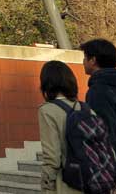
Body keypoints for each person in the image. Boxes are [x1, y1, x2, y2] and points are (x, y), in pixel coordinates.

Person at [38, 61, 82, 194]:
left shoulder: (47, 110)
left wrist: (46, 186)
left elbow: (52, 158)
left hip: (67, 183)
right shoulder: (85, 108)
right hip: (92, 180)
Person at [81, 39, 116, 158]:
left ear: (93, 60)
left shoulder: (98, 91)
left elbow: (103, 130)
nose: (83, 61)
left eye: (85, 57)